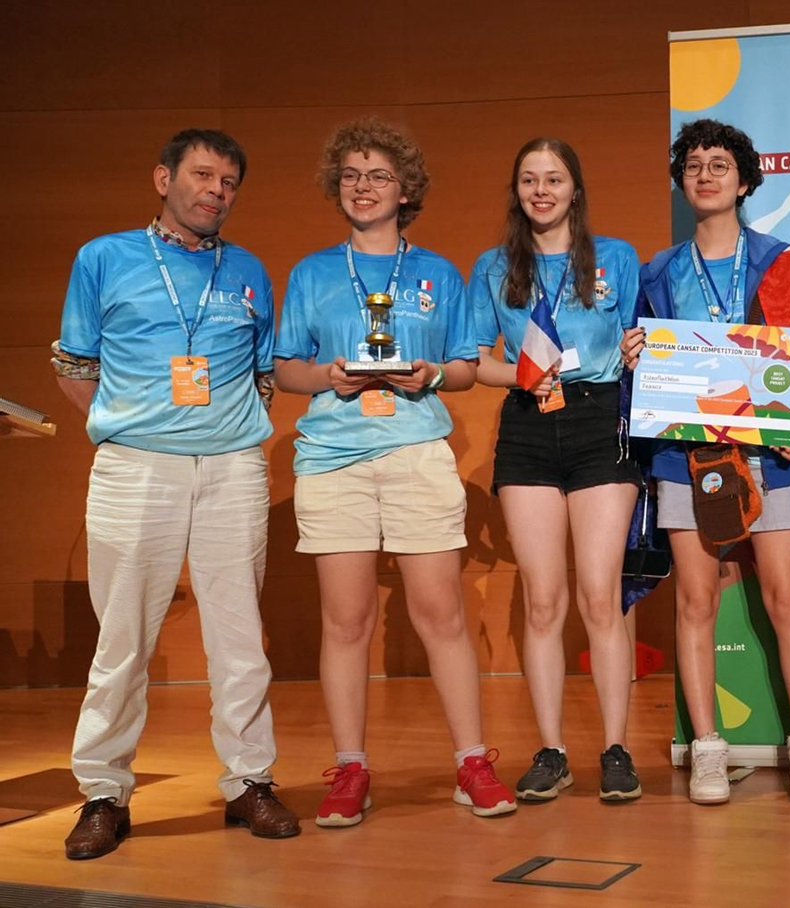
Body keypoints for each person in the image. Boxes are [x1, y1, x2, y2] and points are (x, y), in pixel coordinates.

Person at [55, 128, 299, 860]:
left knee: (240, 639)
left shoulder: (247, 268)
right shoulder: (103, 258)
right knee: (122, 640)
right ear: (164, 179)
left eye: (228, 182)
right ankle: (103, 792)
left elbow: (261, 375)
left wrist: (218, 432)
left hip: (232, 470)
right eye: (202, 175)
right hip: (136, 469)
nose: (215, 191)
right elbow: (75, 367)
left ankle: (249, 782)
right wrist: (134, 430)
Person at [274, 117, 515, 827]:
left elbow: (466, 367)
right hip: (331, 459)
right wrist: (328, 376)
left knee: (441, 614)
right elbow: (286, 368)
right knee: (346, 621)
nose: (363, 186)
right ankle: (351, 769)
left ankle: (472, 762)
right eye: (351, 175)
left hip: (416, 453)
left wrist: (431, 374)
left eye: (378, 175)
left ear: (405, 189)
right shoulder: (313, 272)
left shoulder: (439, 272)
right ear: (336, 187)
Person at [619, 119, 790, 805]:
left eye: (719, 164)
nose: (705, 175)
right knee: (696, 599)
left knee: (785, 596)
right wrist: (634, 359)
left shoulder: (781, 261)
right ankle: (708, 748)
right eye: (693, 165)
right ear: (682, 182)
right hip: (688, 456)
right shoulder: (659, 271)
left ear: (743, 182)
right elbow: (648, 371)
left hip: (768, 452)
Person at [468, 137, 644, 802]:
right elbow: (472, 362)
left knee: (600, 595)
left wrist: (639, 347)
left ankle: (616, 750)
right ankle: (551, 752)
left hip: (600, 423)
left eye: (554, 179)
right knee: (543, 601)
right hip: (528, 424)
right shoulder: (493, 266)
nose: (541, 191)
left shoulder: (616, 257)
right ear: (517, 191)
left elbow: (640, 340)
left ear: (575, 190)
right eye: (529, 180)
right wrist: (518, 374)